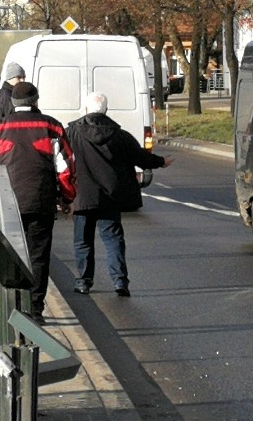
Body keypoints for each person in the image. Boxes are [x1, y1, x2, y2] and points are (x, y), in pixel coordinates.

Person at [0, 81, 76, 325]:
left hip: (9, 203)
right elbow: (66, 169)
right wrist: (67, 198)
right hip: (41, 201)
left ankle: (15, 308)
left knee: (13, 255)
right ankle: (36, 309)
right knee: (39, 255)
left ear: (13, 103)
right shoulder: (52, 127)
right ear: (36, 101)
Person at [67, 91, 174, 297]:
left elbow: (60, 158)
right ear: (106, 110)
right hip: (110, 197)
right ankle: (120, 282)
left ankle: (83, 282)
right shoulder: (119, 135)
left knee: (83, 241)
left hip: (82, 196)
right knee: (113, 239)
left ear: (87, 109)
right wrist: (161, 162)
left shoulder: (72, 133)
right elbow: (141, 157)